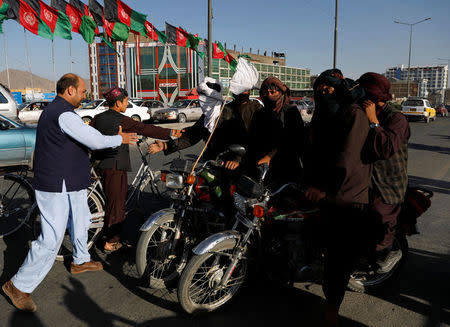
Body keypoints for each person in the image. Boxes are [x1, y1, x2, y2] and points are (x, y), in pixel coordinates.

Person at [2, 73, 138, 313]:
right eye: (83, 91)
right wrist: (120, 138)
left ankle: (80, 260)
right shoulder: (63, 114)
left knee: (82, 218)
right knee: (51, 238)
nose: (86, 95)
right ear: (70, 90)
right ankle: (18, 285)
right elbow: (94, 140)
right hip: (57, 183)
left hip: (71, 181)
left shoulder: (61, 112)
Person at [303, 69, 373, 327]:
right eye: (320, 87)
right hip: (322, 189)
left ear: (340, 88)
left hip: (346, 195)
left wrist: (327, 192)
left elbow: (347, 160)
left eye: (329, 87)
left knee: (338, 257)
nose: (323, 92)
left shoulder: (353, 114)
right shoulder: (323, 114)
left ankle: (333, 308)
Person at [90, 86, 180, 252]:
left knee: (110, 202)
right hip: (115, 166)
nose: (127, 104)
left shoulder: (97, 118)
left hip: (101, 165)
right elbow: (145, 128)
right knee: (116, 205)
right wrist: (171, 132)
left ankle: (105, 235)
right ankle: (111, 241)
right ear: (118, 103)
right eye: (125, 101)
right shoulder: (121, 120)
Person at [149, 59, 261, 169]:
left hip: (241, 165)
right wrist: (165, 146)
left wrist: (239, 160)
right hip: (214, 163)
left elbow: (256, 140)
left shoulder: (256, 109)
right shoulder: (218, 113)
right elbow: (192, 136)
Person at [358, 72, 410, 272]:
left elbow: (385, 148)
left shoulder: (397, 119)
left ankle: (389, 251)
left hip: (388, 185)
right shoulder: (361, 113)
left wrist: (373, 122)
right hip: (366, 180)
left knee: (380, 221)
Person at [243, 76, 305, 185]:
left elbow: (295, 139)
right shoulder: (259, 114)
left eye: (273, 92)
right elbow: (252, 142)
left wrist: (270, 155)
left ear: (281, 93)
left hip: (288, 170)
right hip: (262, 171)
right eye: (266, 93)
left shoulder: (290, 112)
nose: (269, 95)